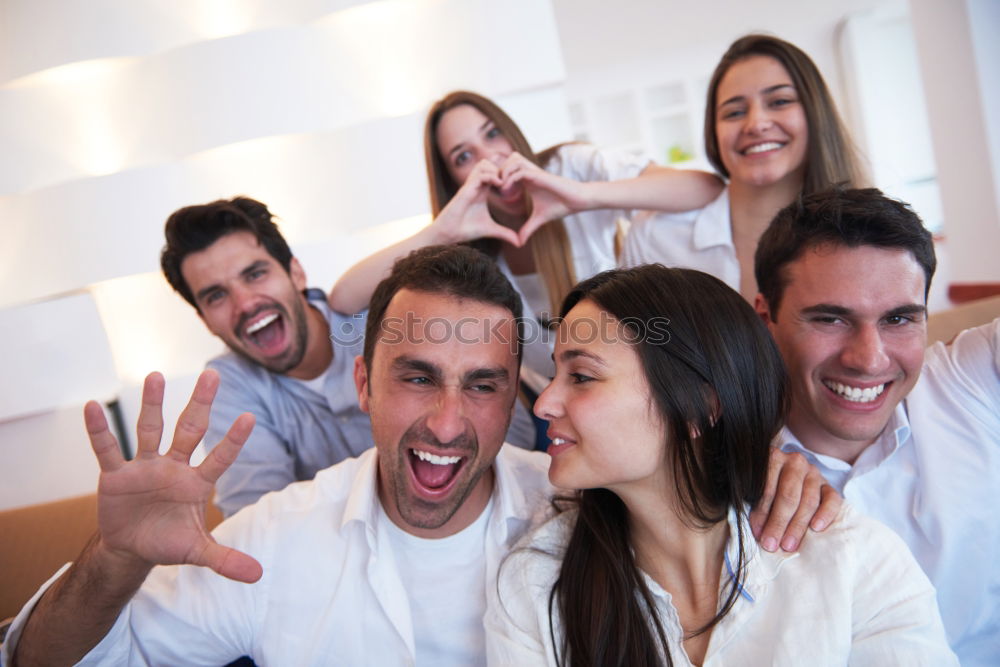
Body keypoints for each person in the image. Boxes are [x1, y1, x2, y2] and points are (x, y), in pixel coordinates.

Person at [5, 246, 837, 667]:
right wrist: (112, 558)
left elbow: (700, 501)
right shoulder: (272, 540)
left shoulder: (586, 511)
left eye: (482, 384)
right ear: (363, 380)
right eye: (416, 377)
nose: (447, 421)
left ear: (518, 391)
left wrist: (772, 470)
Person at [485, 264, 955, 666]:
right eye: (555, 375)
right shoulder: (538, 583)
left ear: (697, 406)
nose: (544, 403)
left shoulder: (850, 563)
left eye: (582, 376)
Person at [754, 187, 1000, 666]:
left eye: (899, 318)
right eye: (830, 318)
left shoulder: (971, 381)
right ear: (766, 319)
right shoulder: (722, 462)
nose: (869, 359)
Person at [329, 90, 723, 388]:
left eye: (493, 135)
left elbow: (702, 188)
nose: (490, 159)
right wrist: (441, 233)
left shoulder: (569, 167)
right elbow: (344, 298)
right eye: (463, 157)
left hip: (649, 374)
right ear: (453, 181)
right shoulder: (472, 253)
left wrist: (581, 196)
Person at [622, 34, 864, 302]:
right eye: (734, 112)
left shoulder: (868, 238)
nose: (756, 124)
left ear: (815, 112)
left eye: (779, 102)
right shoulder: (654, 236)